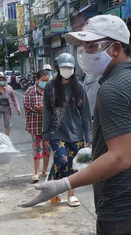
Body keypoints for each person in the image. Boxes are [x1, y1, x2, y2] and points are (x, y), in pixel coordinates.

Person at [20, 15, 131, 235]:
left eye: (92, 46)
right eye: (83, 47)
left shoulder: (112, 90)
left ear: (116, 48)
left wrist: (63, 184)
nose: (84, 53)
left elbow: (119, 157)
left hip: (125, 218)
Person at [41, 53, 93, 207]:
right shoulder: (50, 87)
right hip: (56, 132)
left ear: (74, 68)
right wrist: (45, 134)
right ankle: (54, 189)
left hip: (76, 133)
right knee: (61, 160)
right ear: (58, 68)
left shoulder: (79, 87)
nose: (67, 70)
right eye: (64, 67)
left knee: (74, 166)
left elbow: (85, 113)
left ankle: (70, 194)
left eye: (70, 67)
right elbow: (47, 112)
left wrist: (88, 136)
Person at [24, 70, 51, 183]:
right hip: (35, 125)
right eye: (43, 81)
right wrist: (37, 108)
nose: (45, 83)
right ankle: (36, 172)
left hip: (49, 125)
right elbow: (26, 106)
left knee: (47, 149)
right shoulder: (30, 91)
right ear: (37, 80)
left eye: (47, 81)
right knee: (37, 148)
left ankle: (45, 170)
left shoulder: (51, 90)